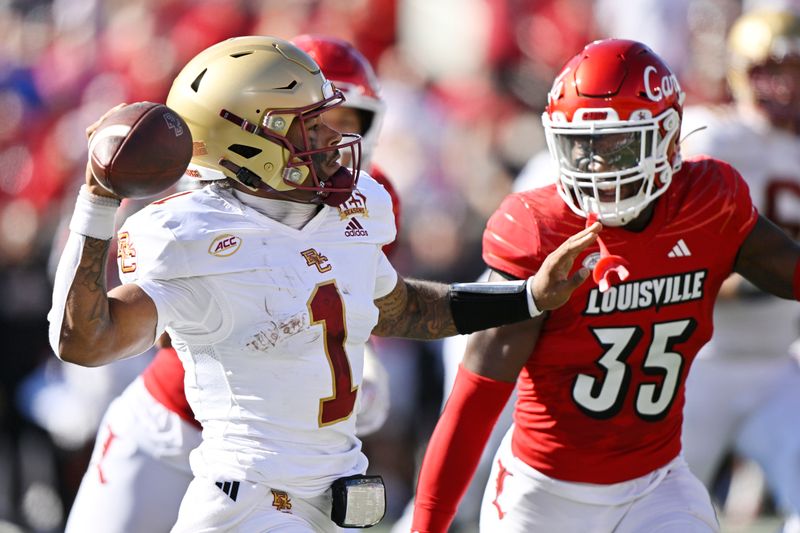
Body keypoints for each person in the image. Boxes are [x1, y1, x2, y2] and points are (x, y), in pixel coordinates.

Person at [48, 35, 602, 532]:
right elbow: (84, 340)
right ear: (249, 141)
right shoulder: (193, 237)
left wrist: (527, 297)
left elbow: (404, 307)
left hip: (336, 496)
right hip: (251, 502)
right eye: (309, 125)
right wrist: (97, 204)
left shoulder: (353, 211)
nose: (333, 137)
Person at [410, 38, 800, 533]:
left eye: (616, 144)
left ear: (666, 136)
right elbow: (474, 398)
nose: (595, 165)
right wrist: (427, 527)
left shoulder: (709, 202)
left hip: (656, 487)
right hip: (542, 494)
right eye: (582, 146)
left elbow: (792, 272)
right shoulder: (540, 228)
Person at [62, 35, 404, 533]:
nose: (331, 135)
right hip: (174, 425)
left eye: (346, 119)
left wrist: (363, 362)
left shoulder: (368, 200)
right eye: (309, 122)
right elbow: (153, 324)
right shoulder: (205, 195)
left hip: (281, 476)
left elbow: (352, 306)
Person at [678, 8, 800, 530]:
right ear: (738, 72)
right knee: (654, 508)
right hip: (700, 360)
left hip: (778, 364)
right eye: (767, 69)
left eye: (792, 69)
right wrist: (752, 282)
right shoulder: (715, 140)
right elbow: (676, 256)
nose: (781, 85)